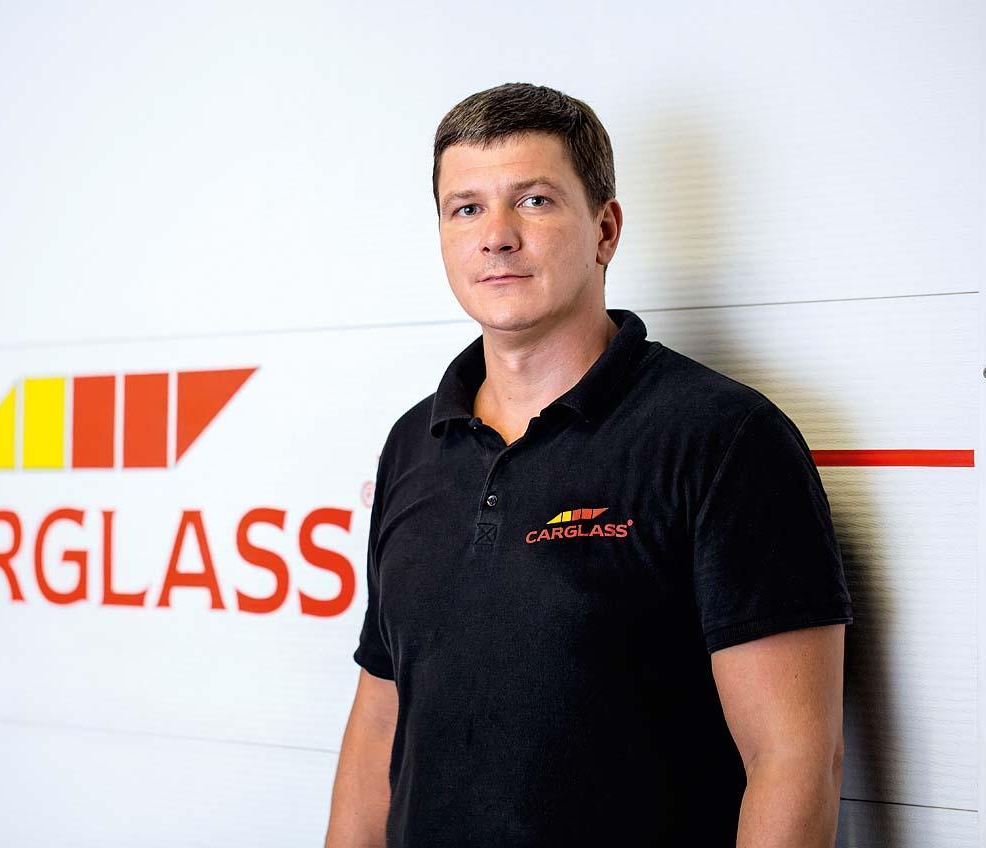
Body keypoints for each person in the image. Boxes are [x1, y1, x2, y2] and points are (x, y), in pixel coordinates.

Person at [324, 82, 854, 847]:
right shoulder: (414, 442)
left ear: (605, 229)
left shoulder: (724, 438)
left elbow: (795, 760)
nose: (496, 236)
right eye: (465, 208)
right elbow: (381, 723)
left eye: (533, 201)